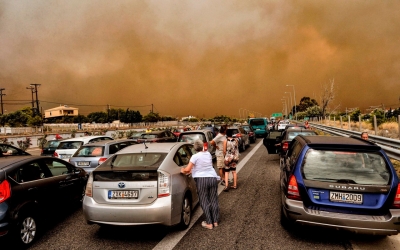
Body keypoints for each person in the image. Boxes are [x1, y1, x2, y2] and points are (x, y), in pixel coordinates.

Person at [180, 139, 220, 230]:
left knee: (204, 200)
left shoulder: (195, 156)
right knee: (214, 199)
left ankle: (209, 223)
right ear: (203, 146)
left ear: (195, 148)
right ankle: (215, 221)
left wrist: (182, 170)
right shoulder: (208, 154)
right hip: (212, 178)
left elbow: (187, 169)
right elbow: (203, 166)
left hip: (202, 180)